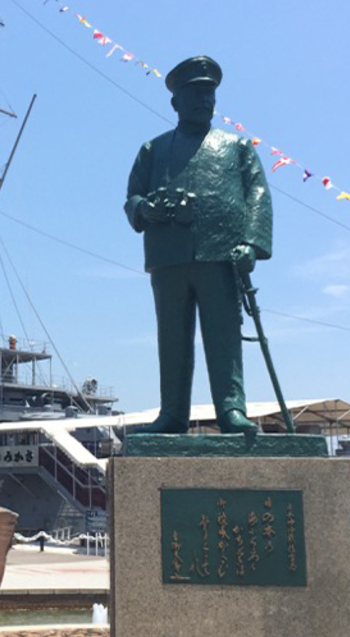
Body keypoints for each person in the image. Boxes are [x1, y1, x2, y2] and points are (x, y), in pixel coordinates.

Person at [124, 56, 273, 435]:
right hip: (168, 257)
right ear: (176, 102)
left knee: (223, 337)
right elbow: (132, 197)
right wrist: (145, 210)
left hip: (220, 254)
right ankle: (172, 413)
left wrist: (251, 244)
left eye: (209, 95)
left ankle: (231, 410)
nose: (204, 102)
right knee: (172, 339)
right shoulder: (152, 150)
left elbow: (258, 193)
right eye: (194, 95)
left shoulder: (236, 146)